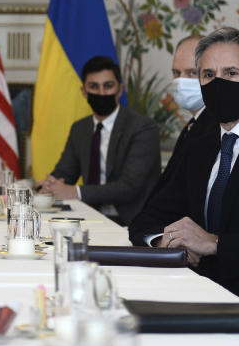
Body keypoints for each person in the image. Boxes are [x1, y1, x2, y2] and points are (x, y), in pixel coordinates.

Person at [129, 28, 239, 302]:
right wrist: (167, 242)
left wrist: (214, 244)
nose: (219, 84)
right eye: (208, 75)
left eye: (231, 73)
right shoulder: (200, 142)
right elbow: (149, 217)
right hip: (197, 296)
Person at [41, 55, 160, 226]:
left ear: (120, 90)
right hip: (88, 218)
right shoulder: (79, 128)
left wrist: (75, 192)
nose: (102, 93)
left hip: (132, 222)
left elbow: (129, 188)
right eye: (94, 87)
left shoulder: (143, 128)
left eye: (108, 86)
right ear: (84, 92)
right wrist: (49, 185)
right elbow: (64, 174)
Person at [144, 35, 217, 201]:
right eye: (176, 73)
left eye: (192, 72)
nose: (181, 81)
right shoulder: (192, 126)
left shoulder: (219, 129)